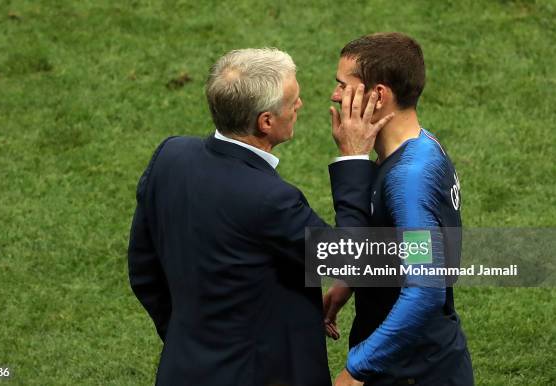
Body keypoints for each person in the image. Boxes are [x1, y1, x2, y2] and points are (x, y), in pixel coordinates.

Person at [127, 48, 392, 386]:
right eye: (292, 101)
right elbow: (349, 259)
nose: (300, 105)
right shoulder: (269, 200)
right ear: (265, 121)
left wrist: (191, 343)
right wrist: (354, 158)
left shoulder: (170, 157)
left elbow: (143, 272)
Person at [323, 33, 475, 386]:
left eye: (343, 86)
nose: (334, 95)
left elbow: (425, 289)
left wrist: (355, 370)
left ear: (378, 95)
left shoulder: (409, 179)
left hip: (413, 371)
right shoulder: (420, 145)